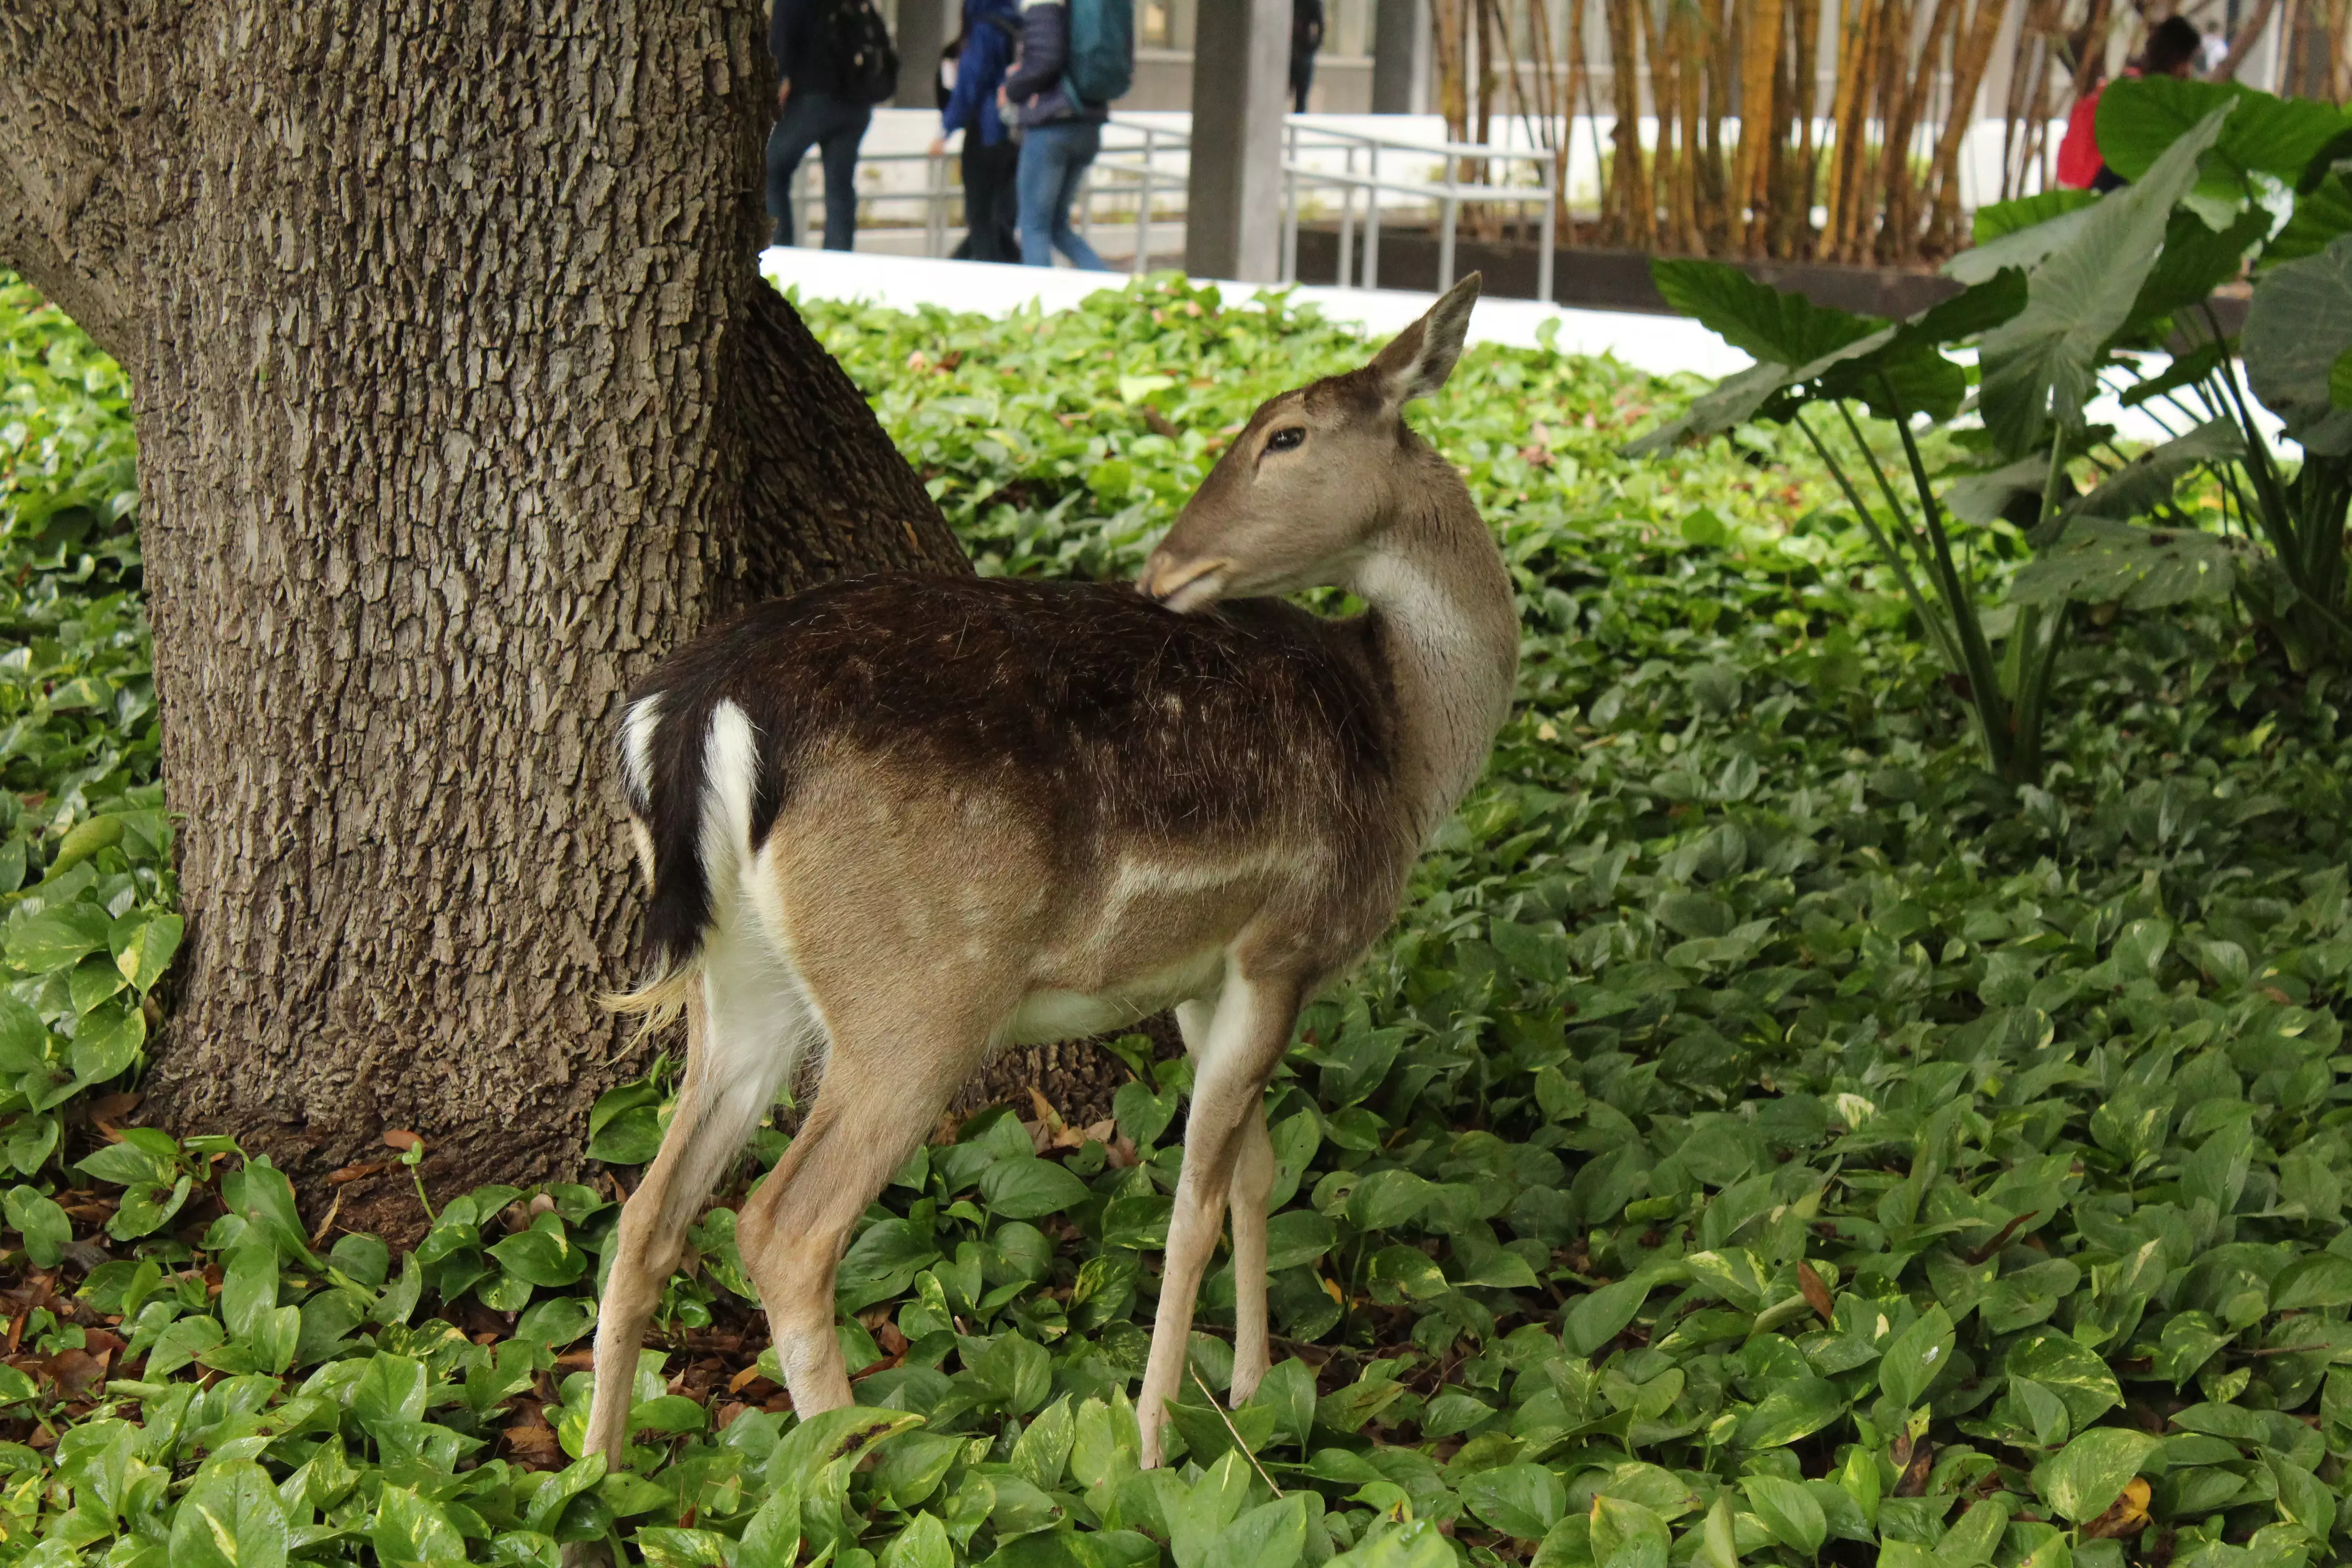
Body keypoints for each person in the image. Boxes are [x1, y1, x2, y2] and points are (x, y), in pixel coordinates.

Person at [1003, 0, 1113, 270]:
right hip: (1088, 121)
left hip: (1052, 127)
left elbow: (1045, 60)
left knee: (1033, 226)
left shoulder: (1044, 4)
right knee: (1057, 227)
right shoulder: (1086, 9)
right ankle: (1114, 290)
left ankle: (1040, 308)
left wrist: (1012, 88)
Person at [766, 0, 881, 250]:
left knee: (771, 170)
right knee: (840, 185)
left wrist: (779, 82)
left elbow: (782, 38)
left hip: (814, 97)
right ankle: (838, 261)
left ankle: (780, 250)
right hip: (856, 102)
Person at [2057, 14, 2201, 192]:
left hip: (2092, 191)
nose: (2190, 71)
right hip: (2110, 190)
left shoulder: (2127, 87)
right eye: (2189, 61)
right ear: (2178, 61)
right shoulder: (2149, 102)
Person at [931, 0, 1024, 263]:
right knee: (999, 217)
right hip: (1016, 131)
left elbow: (969, 85)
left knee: (980, 216)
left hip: (986, 132)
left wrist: (945, 131)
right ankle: (1015, 269)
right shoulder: (1018, 25)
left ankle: (991, 279)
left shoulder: (983, 28)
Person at [1291, 0, 1325, 114]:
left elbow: (1321, 26)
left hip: (1303, 53)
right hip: (1297, 51)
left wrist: (1312, 47)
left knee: (1301, 99)